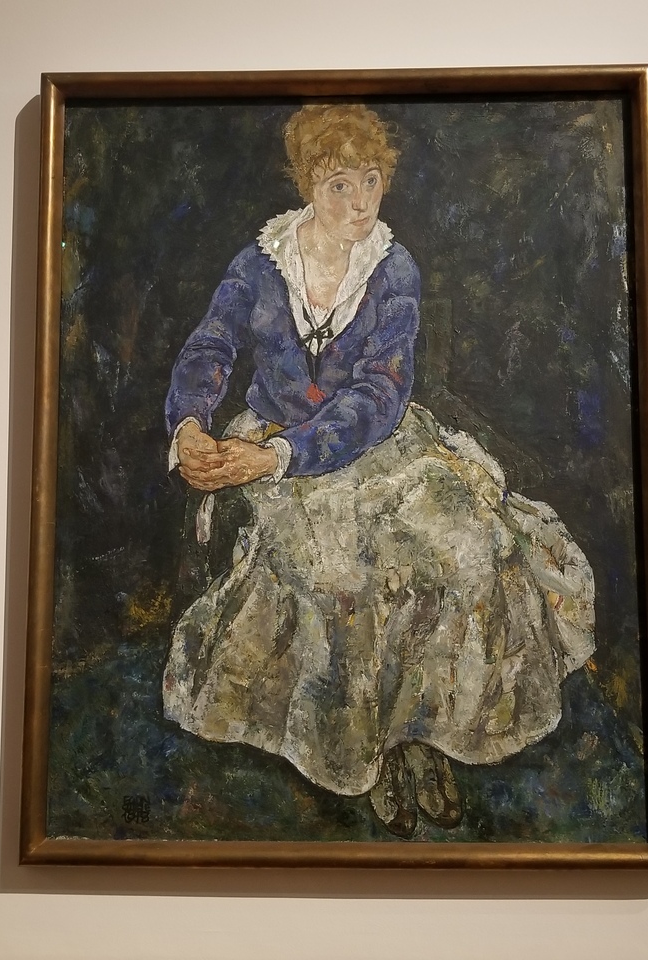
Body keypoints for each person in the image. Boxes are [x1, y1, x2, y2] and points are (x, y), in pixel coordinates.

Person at [164, 103, 596, 838]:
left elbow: (379, 394)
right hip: (270, 442)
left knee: (470, 552)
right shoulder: (259, 264)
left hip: (369, 445)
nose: (359, 202)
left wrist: (285, 454)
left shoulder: (393, 270)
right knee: (344, 579)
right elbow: (211, 347)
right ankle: (373, 750)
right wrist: (189, 425)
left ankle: (425, 733)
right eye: (339, 185)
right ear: (308, 185)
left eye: (371, 181)